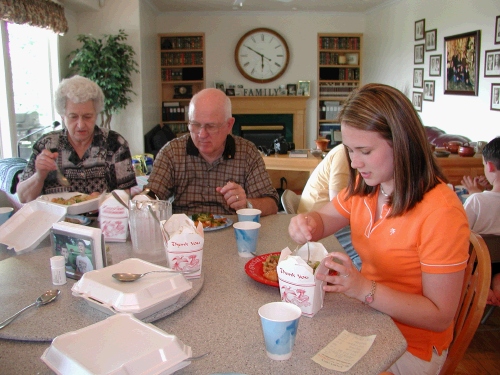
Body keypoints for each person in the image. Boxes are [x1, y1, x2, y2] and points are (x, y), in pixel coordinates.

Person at [288, 83, 469, 375]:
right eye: (348, 150)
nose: (355, 162)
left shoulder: (441, 213)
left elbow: (439, 316)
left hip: (411, 345)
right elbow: (323, 221)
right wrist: (306, 222)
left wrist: (362, 288)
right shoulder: (367, 186)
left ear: (403, 143)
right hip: (369, 317)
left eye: (365, 151)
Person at [144, 88, 278, 216]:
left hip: (232, 232)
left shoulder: (247, 153)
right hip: (184, 231)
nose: (202, 134)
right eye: (195, 124)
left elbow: (272, 205)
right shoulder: (172, 152)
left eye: (211, 126)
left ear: (229, 125)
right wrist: (143, 200)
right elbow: (153, 193)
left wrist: (246, 205)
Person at [17, 75, 137, 203]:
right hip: (54, 220)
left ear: (96, 114)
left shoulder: (115, 144)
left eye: (87, 116)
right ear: (63, 116)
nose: (80, 124)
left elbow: (127, 194)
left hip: (100, 220)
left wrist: (105, 199)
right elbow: (23, 198)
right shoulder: (46, 145)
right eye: (73, 117)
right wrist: (39, 176)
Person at [297, 144, 361, 270]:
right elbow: (337, 202)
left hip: (323, 216)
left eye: (366, 151)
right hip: (324, 216)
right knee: (361, 254)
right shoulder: (343, 154)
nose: (355, 163)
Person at [462, 137, 500, 307]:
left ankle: (476, 280)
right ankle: (497, 285)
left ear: (490, 166)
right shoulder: (479, 197)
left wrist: (474, 194)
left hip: (476, 264)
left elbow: (459, 232)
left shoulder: (477, 200)